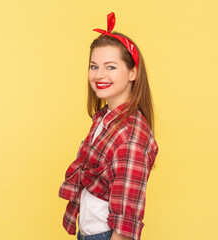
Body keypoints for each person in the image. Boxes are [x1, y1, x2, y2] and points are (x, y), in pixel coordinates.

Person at [58, 12, 158, 240]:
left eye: (111, 67)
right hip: (89, 234)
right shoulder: (104, 118)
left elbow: (125, 222)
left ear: (133, 72)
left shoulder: (131, 135)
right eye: (94, 66)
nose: (99, 75)